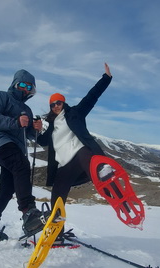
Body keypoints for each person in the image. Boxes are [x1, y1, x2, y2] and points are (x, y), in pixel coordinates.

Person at [37, 63, 113, 242]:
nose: (56, 106)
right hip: (65, 165)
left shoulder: (76, 113)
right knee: (57, 198)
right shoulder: (51, 125)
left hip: (81, 157)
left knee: (84, 151)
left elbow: (92, 96)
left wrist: (106, 78)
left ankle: (105, 177)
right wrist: (35, 130)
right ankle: (57, 233)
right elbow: (42, 142)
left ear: (63, 103)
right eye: (53, 104)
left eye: (59, 102)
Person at [0, 69, 45, 240]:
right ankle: (28, 211)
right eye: (22, 84)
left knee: (7, 190)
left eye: (29, 87)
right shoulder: (1, 96)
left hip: (16, 146)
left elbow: (29, 134)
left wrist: (36, 129)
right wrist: (15, 121)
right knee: (21, 164)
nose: (25, 89)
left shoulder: (27, 110)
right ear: (15, 83)